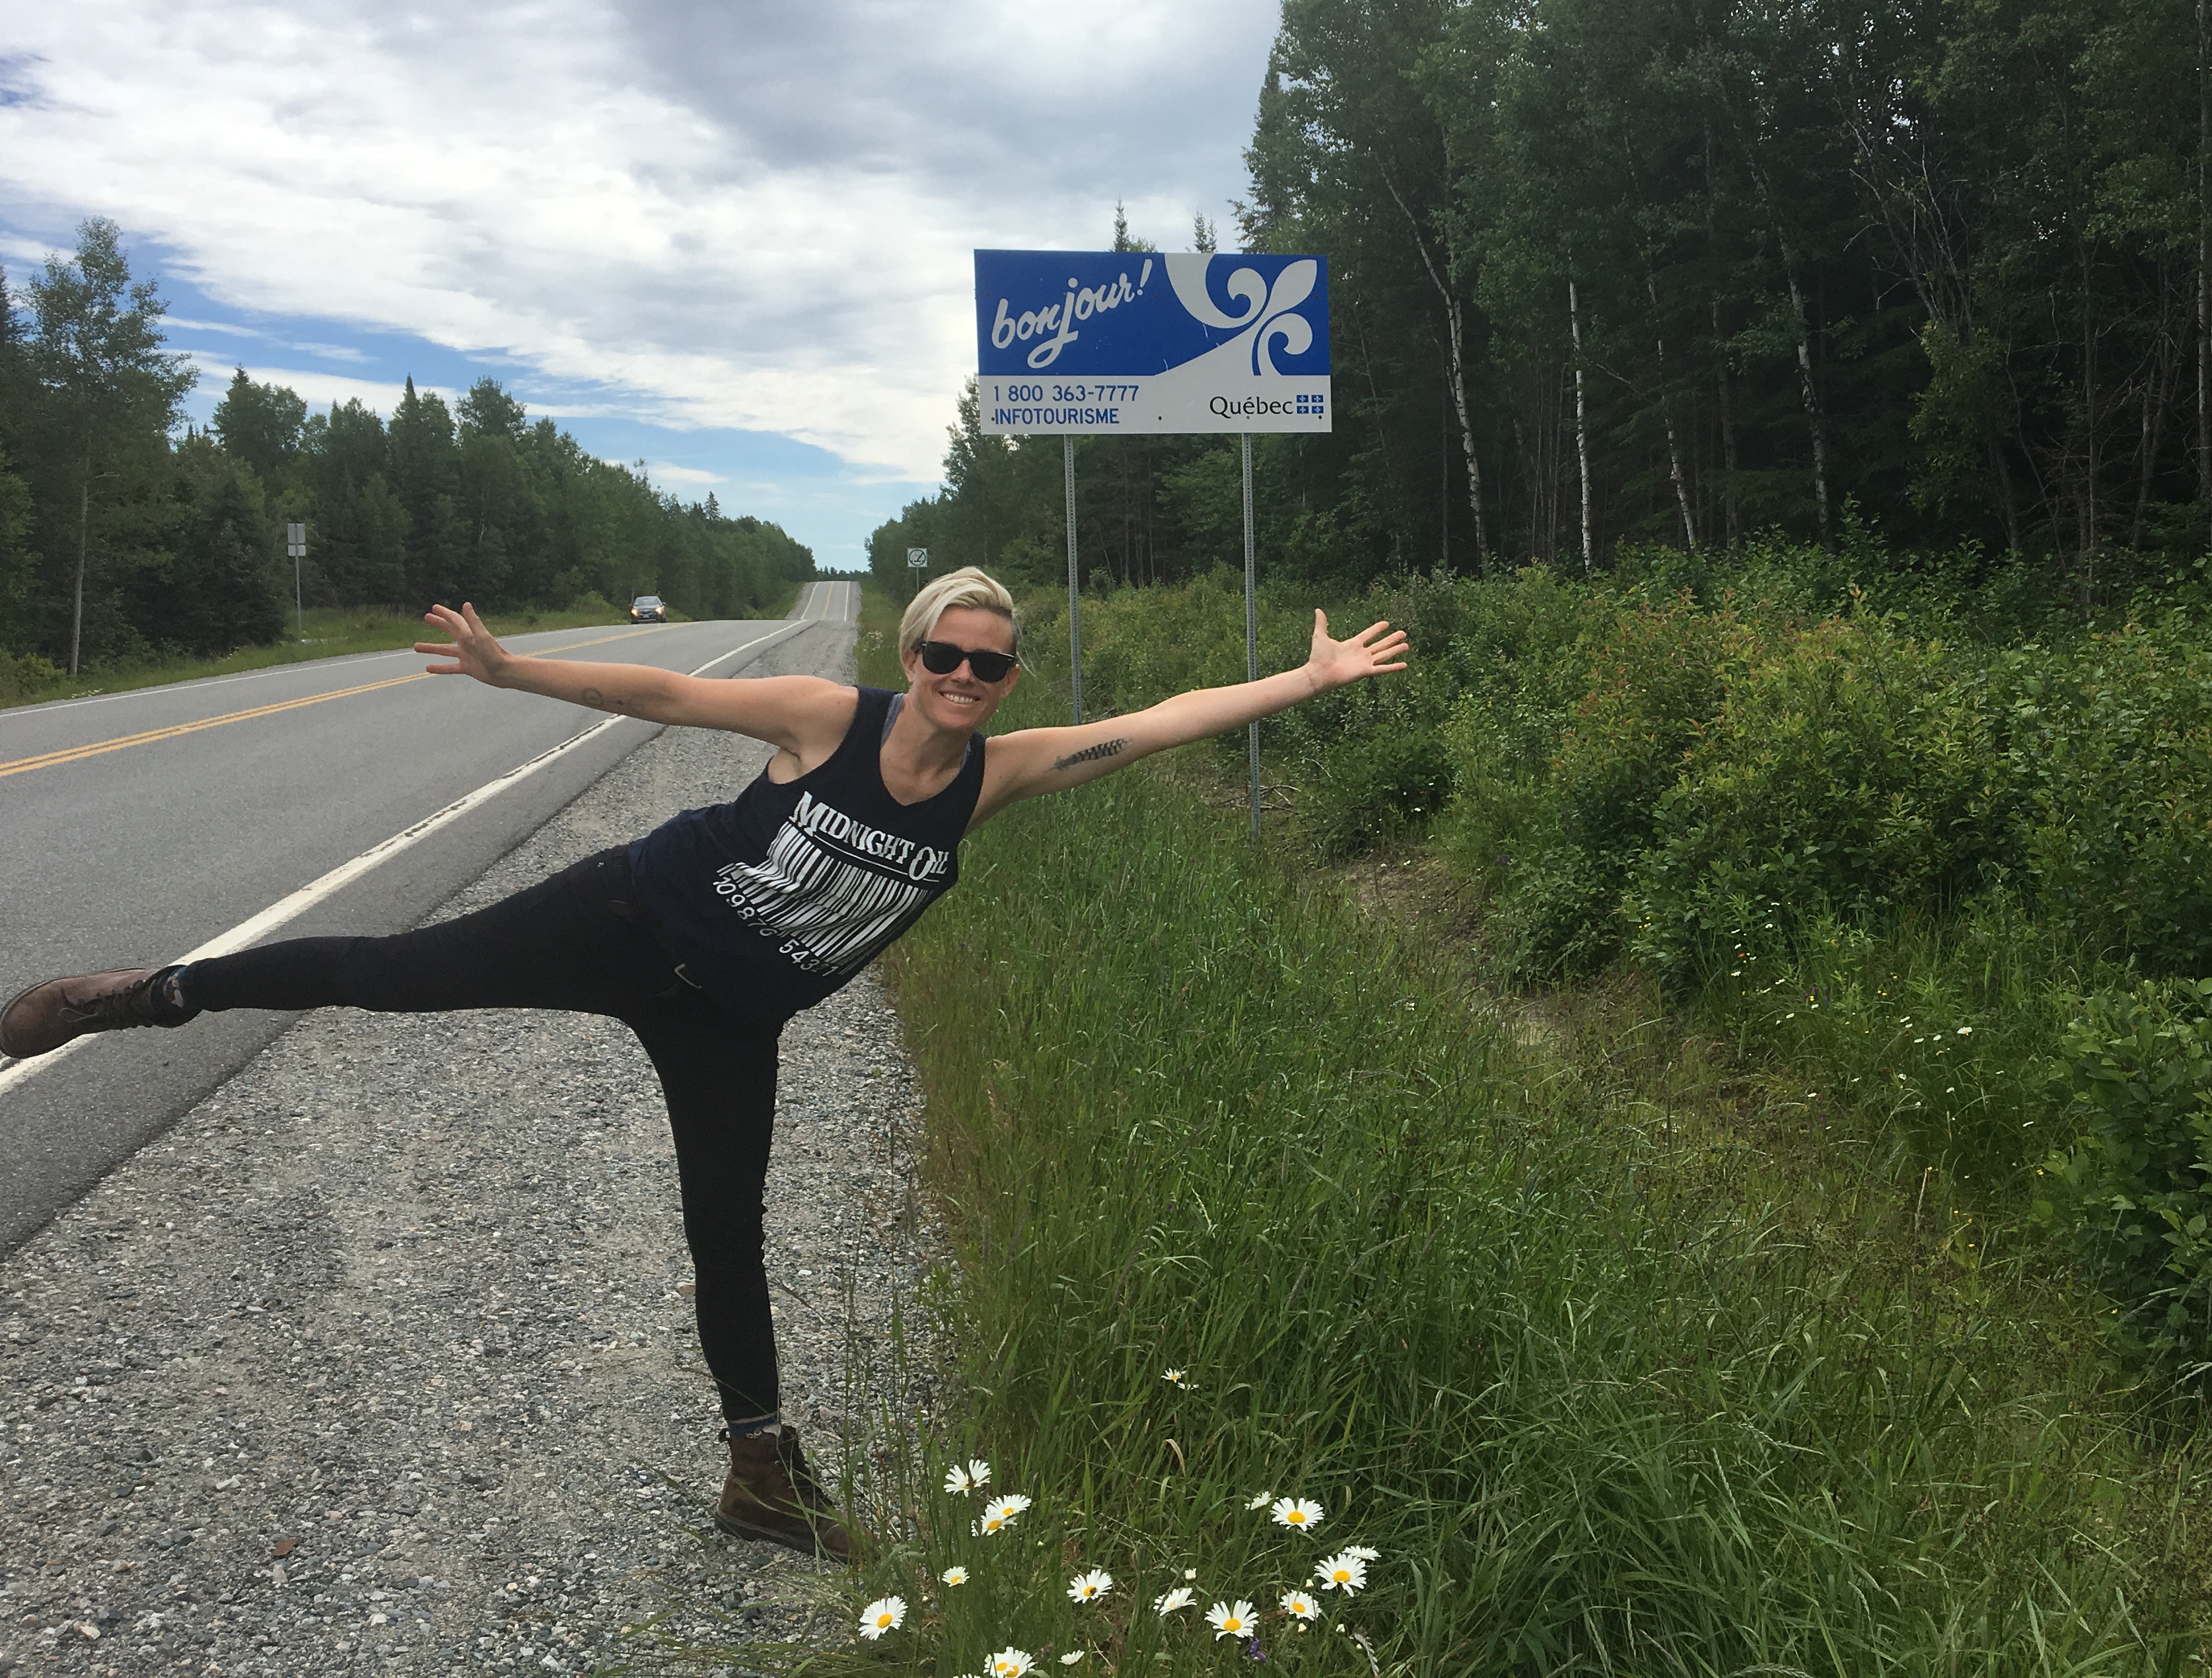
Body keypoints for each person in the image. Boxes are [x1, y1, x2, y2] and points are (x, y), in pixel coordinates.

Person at [3, 567, 1409, 1557]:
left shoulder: (1003, 774)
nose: (966, 679)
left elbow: (1163, 723)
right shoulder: (827, 718)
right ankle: (151, 993)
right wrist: (512, 669)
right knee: (390, 975)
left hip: (730, 1022)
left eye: (992, 664)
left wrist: (1309, 678)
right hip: (626, 919)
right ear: (913, 654)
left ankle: (759, 1476)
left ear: (1010, 680)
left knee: (727, 1237)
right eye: (947, 655)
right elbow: (669, 692)